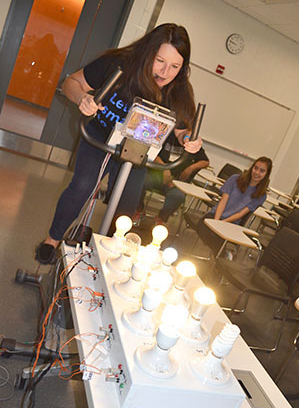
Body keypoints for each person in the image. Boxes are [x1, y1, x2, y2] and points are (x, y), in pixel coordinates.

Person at [36, 23, 202, 264]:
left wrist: (190, 140)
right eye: (159, 61)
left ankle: (108, 257)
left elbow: (183, 131)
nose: (165, 72)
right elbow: (71, 82)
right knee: (83, 185)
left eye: (175, 66)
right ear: (147, 53)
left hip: (136, 150)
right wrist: (83, 97)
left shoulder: (178, 89)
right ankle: (52, 240)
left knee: (126, 206)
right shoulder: (119, 64)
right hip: (100, 137)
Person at [197, 156, 273, 256]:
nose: (257, 172)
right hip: (216, 215)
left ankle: (219, 257)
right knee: (201, 226)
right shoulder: (234, 179)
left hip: (231, 223)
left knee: (216, 236)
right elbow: (223, 201)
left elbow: (241, 213)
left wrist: (222, 223)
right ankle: (222, 255)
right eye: (256, 168)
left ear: (266, 174)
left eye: (262, 171)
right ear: (252, 168)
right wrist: (216, 221)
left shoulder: (261, 195)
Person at [135, 134, 209, 224]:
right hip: (157, 175)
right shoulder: (167, 137)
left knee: (178, 196)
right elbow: (151, 152)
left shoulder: (192, 144)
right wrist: (164, 168)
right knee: (138, 182)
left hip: (177, 182)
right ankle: (139, 210)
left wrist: (191, 167)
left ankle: (161, 218)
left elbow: (205, 162)